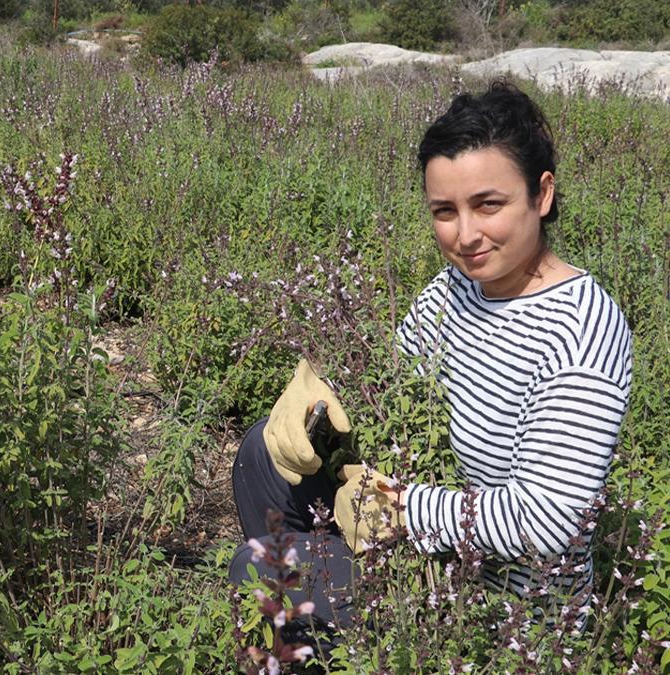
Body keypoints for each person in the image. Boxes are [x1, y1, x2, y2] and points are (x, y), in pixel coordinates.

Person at [228, 81, 634, 641]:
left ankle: (332, 627)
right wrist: (319, 397)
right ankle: (320, 623)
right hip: (430, 541)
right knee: (262, 453)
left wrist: (399, 509)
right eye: (445, 211)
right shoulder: (457, 287)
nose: (467, 235)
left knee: (262, 569)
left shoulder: (583, 329)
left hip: (499, 608)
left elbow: (545, 521)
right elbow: (390, 381)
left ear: (541, 195)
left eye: (488, 204)